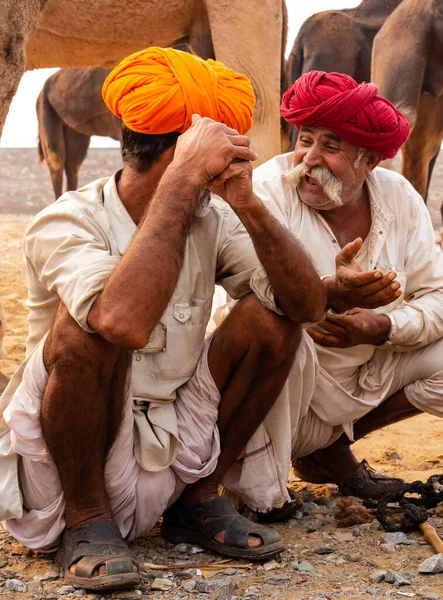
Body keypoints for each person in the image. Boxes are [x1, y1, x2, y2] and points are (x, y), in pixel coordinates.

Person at [0, 47, 332, 591]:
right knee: (90, 325)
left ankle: (197, 501)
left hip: (176, 443)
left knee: (272, 319)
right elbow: (122, 323)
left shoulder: (212, 217)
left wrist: (249, 205)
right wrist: (181, 181)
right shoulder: (67, 219)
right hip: (68, 468)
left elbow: (306, 307)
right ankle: (87, 523)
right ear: (184, 152)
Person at [252, 70, 443, 500]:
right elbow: (246, 303)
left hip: (368, 373)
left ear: (370, 162)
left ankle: (332, 449)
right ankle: (253, 483)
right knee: (276, 334)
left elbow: (438, 295)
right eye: (305, 140)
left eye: (331, 147)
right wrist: (322, 294)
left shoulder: (398, 196)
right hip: (281, 397)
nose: (309, 159)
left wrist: (385, 328)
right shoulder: (264, 193)